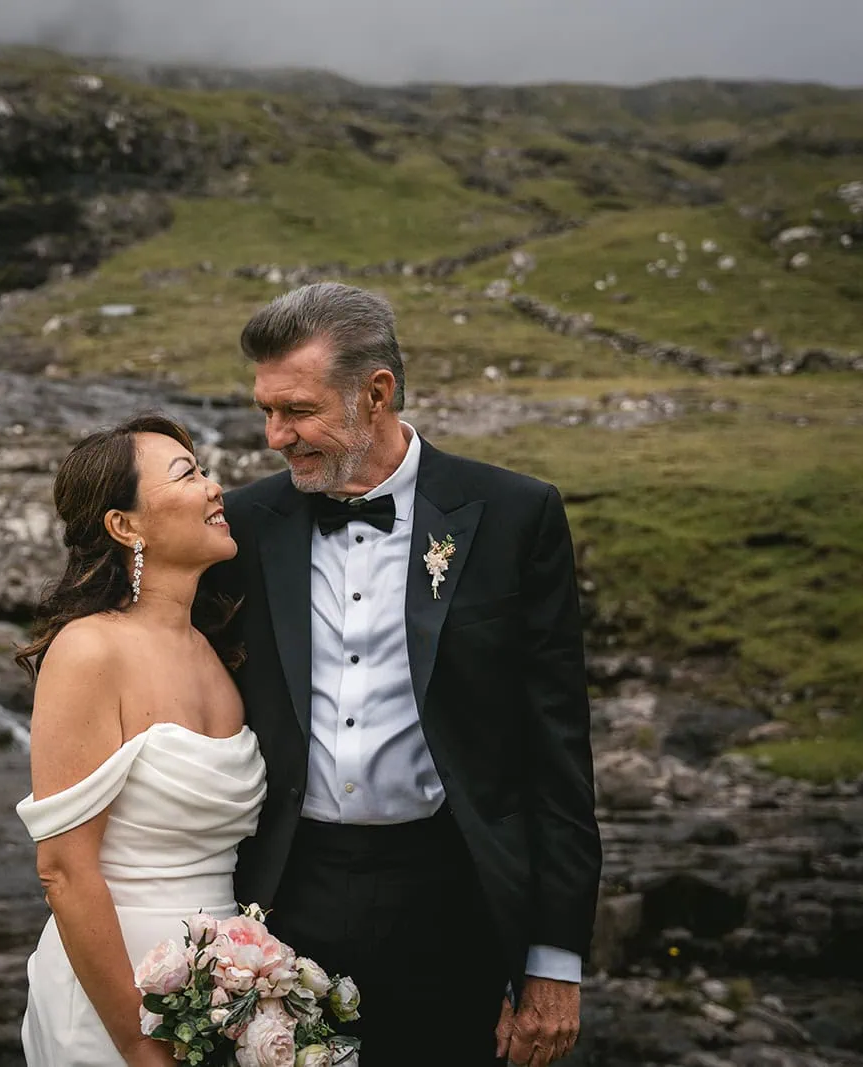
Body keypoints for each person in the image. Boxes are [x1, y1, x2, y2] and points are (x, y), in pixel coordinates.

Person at [207, 281, 603, 1066]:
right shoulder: (244, 525)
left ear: (377, 394)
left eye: (297, 409)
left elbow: (556, 749)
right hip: (282, 892)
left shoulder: (515, 515)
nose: (274, 435)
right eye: (266, 409)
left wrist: (554, 960)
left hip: (452, 898)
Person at [13, 413, 267, 1067]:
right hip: (114, 1002)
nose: (216, 488)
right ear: (125, 525)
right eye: (189, 474)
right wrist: (136, 1038)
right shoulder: (89, 648)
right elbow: (64, 870)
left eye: (205, 470)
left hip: (222, 989)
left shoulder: (214, 654)